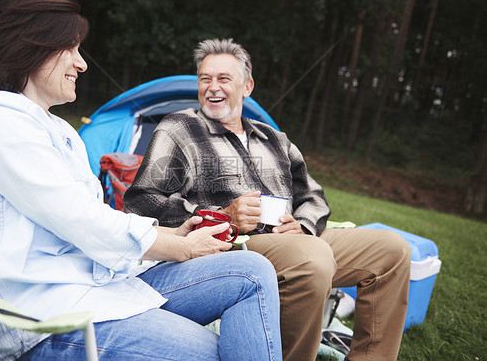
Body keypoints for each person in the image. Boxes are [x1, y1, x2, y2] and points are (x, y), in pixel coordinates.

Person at [0, 0, 282, 360]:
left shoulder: (48, 125)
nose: (82, 64)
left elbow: (89, 215)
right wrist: (180, 246)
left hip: (88, 287)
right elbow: (77, 218)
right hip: (34, 317)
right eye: (72, 49)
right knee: (211, 354)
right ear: (32, 47)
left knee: (252, 271)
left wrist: (171, 234)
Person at [124, 38, 412, 361]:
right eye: (205, 79)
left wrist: (302, 226)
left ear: (247, 86)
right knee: (313, 258)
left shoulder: (275, 139)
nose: (212, 88)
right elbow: (141, 202)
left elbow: (313, 196)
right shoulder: (179, 129)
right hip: (236, 244)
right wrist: (224, 215)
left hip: (293, 236)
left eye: (223, 79)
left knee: (393, 250)